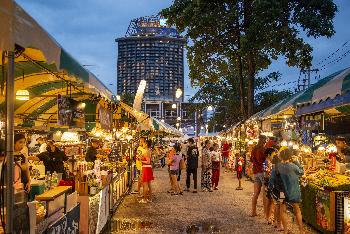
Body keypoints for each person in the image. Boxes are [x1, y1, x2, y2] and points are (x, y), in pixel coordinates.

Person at [271, 148, 304, 234]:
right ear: (290, 156)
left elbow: (271, 180)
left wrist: (271, 189)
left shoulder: (276, 167)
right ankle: (301, 231)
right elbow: (301, 172)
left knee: (283, 210)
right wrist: (296, 161)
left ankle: (285, 230)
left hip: (281, 192)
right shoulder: (294, 166)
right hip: (294, 191)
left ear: (280, 156)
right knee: (297, 209)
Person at [250, 135, 267, 217]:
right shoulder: (263, 149)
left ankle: (253, 211)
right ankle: (265, 214)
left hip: (255, 171)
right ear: (263, 141)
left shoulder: (254, 148)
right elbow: (265, 160)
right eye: (265, 140)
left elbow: (251, 159)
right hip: (262, 171)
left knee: (256, 192)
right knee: (264, 193)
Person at [139, 139, 154, 203]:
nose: (143, 144)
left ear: (146, 144)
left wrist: (140, 160)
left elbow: (148, 162)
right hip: (148, 168)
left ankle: (145, 199)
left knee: (145, 184)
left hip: (146, 168)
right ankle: (150, 198)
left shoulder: (146, 151)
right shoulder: (149, 151)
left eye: (144, 143)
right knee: (149, 184)